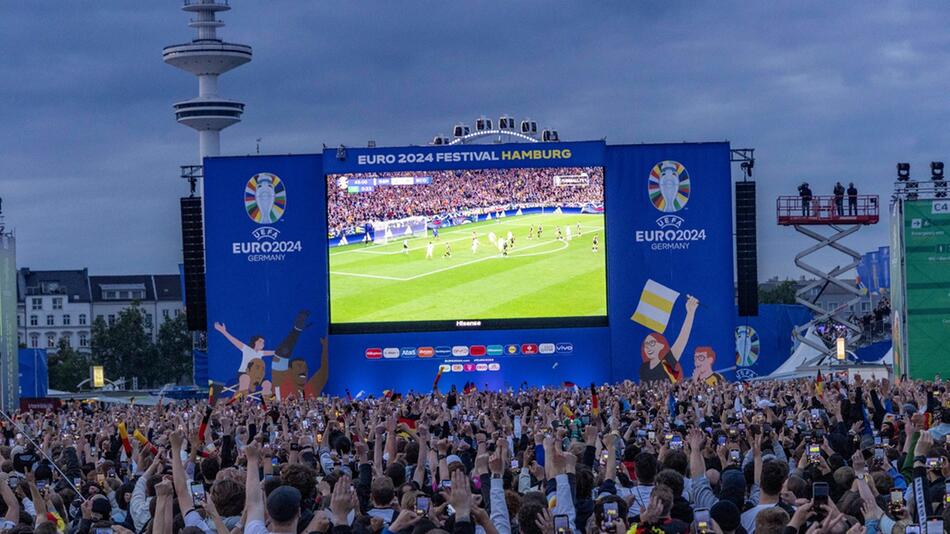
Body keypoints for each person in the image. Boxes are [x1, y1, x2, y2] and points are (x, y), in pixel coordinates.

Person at [638, 296, 698, 383]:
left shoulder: (666, 363)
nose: (648, 347)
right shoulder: (643, 368)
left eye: (652, 343)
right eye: (646, 345)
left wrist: (690, 313)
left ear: (661, 345)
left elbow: (682, 339)